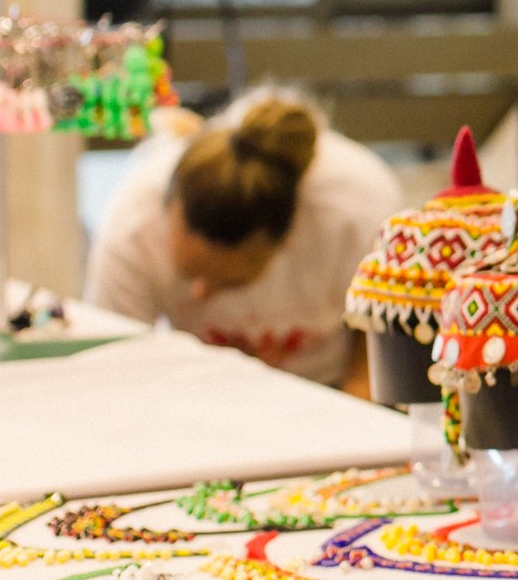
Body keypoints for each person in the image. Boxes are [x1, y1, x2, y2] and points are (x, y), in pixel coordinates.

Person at [85, 93, 403, 389]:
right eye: (190, 272)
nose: (199, 293)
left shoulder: (357, 213)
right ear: (169, 211)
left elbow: (379, 366)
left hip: (332, 394)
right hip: (194, 402)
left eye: (226, 282)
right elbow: (118, 377)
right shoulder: (132, 228)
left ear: (284, 240)